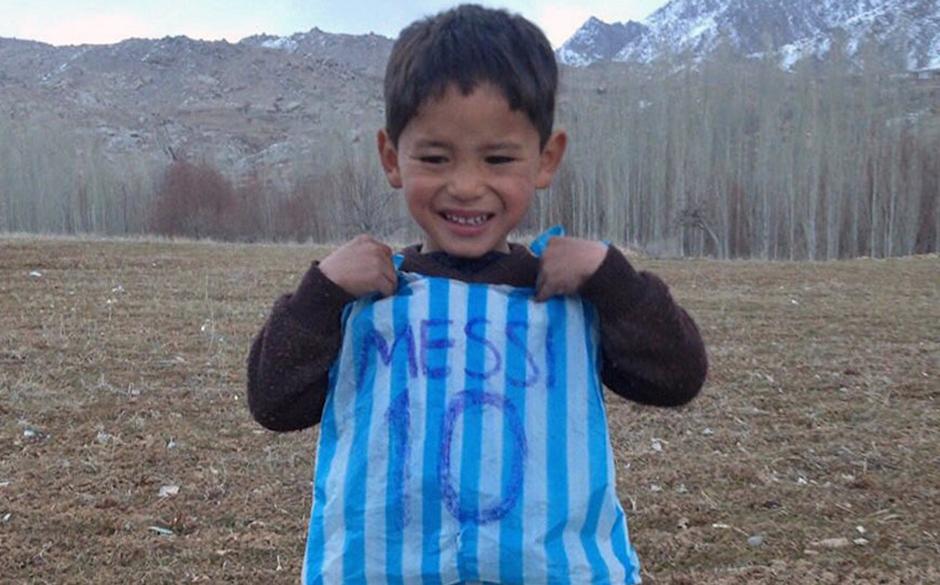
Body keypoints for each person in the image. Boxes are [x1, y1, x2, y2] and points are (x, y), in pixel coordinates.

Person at [247, 4, 707, 583]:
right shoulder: (364, 295)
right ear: (392, 158)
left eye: (498, 158)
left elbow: (678, 377)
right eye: (435, 158)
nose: (466, 186)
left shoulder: (572, 296)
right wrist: (319, 294)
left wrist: (614, 279)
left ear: (546, 159)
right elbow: (273, 403)